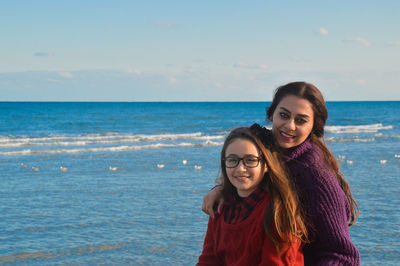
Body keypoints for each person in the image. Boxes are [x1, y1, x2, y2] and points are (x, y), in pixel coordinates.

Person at [202, 82, 360, 265]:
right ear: (272, 114)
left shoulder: (317, 178)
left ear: (313, 126)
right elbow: (242, 166)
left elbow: (342, 255)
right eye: (283, 115)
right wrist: (221, 189)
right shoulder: (265, 146)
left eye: (301, 120)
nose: (289, 126)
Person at [197, 126, 306, 265]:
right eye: (232, 160)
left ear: (266, 164)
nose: (240, 168)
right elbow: (208, 259)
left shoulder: (279, 210)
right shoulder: (221, 207)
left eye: (250, 160)